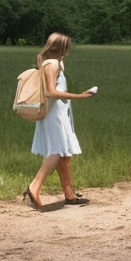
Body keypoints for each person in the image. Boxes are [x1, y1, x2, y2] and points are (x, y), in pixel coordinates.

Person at [23, 32, 97, 210]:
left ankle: (69, 194)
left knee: (64, 153)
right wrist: (79, 95)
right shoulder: (53, 64)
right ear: (62, 48)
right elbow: (51, 92)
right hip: (54, 113)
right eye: (68, 46)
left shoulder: (52, 62)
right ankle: (34, 188)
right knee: (56, 151)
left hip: (58, 111)